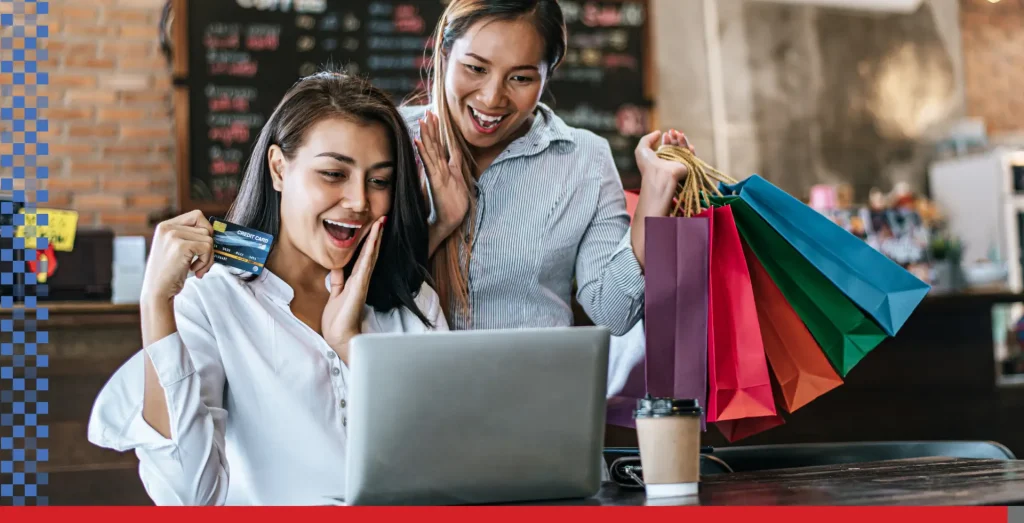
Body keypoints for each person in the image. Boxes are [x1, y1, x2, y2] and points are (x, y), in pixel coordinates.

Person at [87, 72, 447, 506]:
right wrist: (155, 305)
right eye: (333, 173)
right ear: (279, 168)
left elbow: (443, 466)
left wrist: (351, 346)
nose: (358, 201)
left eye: (379, 181)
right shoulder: (212, 297)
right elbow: (189, 497)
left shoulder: (412, 298)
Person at [406, 0, 693, 335]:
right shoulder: (391, 140)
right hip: (411, 385)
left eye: (520, 78)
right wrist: (438, 227)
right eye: (476, 68)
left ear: (548, 75)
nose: (492, 97)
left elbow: (612, 314)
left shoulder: (586, 159)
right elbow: (352, 291)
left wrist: (655, 197)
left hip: (536, 384)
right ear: (444, 53)